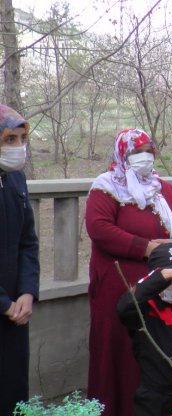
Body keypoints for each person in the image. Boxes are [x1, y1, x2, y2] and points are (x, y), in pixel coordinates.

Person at [85, 128, 172, 416]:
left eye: (149, 151)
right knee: (121, 353)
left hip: (162, 290)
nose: (145, 157)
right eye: (137, 152)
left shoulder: (164, 189)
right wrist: (146, 248)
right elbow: (99, 229)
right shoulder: (106, 188)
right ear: (123, 154)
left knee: (155, 354)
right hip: (120, 285)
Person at [117, 243, 172, 416]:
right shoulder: (145, 311)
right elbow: (124, 307)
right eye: (170, 280)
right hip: (155, 399)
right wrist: (158, 279)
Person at [0, 105, 39, 416]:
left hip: (16, 313)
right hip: (5, 305)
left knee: (13, 393)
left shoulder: (15, 181)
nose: (18, 148)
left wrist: (27, 292)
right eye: (10, 139)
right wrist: (3, 302)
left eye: (22, 139)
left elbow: (28, 242)